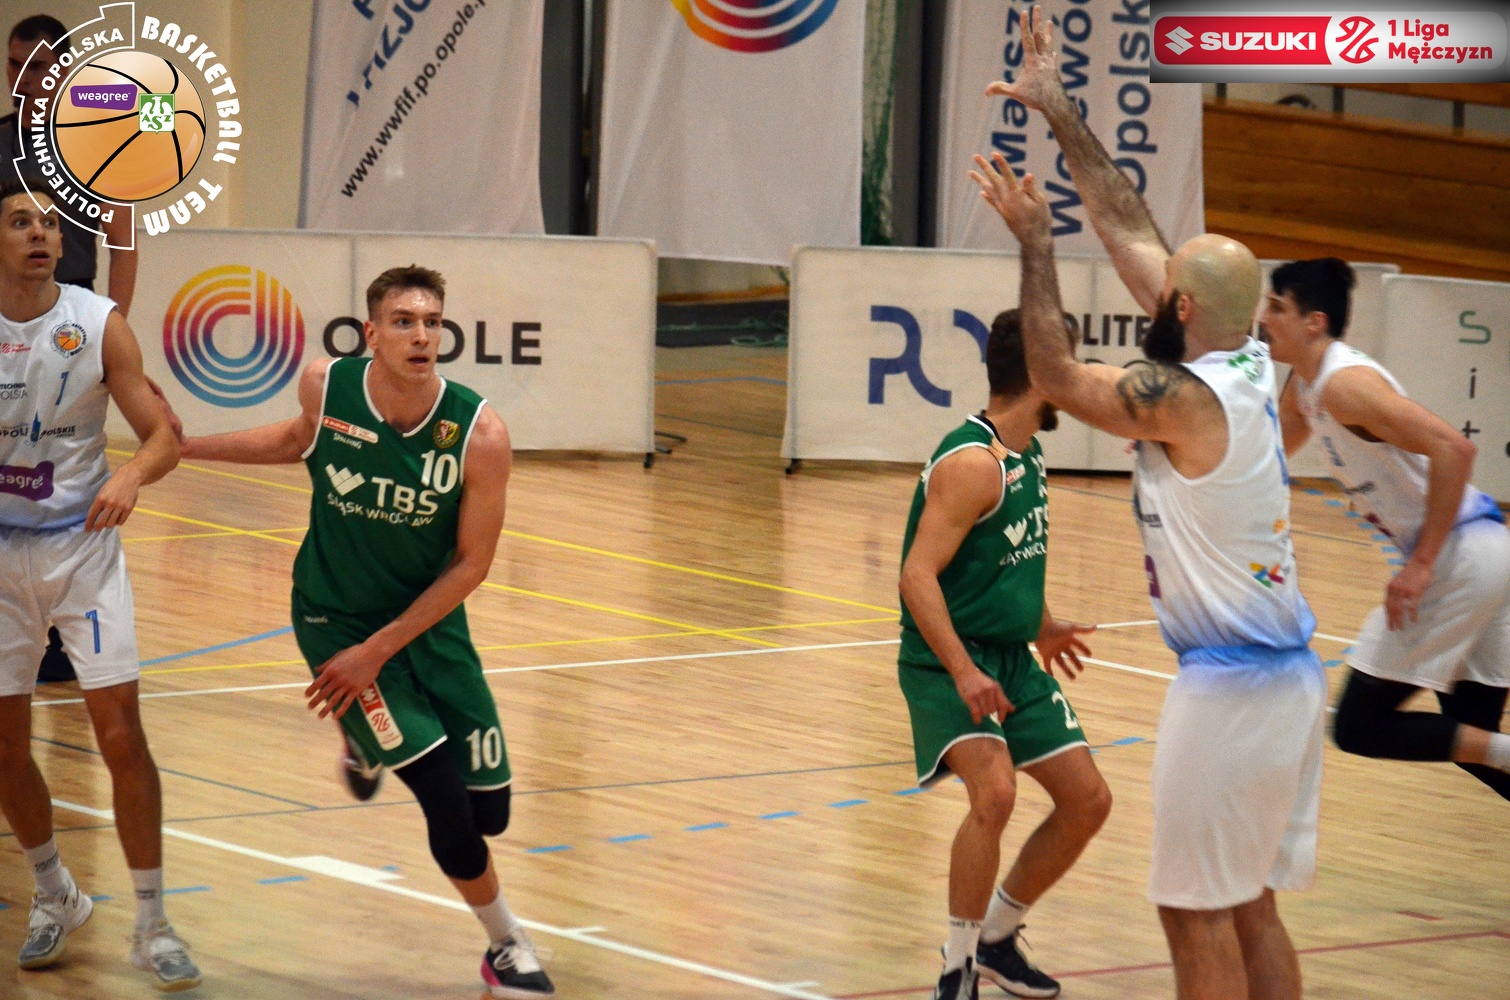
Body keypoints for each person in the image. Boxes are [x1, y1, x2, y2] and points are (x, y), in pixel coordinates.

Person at [970, 10, 1326, 999]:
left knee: (1193, 911)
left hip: (1231, 692)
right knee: (1251, 904)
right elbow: (1126, 221)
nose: (1150, 282)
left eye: (1163, 286)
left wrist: (1035, 243)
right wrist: (1059, 111)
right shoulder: (1241, 362)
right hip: (1287, 682)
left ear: (1181, 309)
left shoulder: (1183, 400)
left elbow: (1053, 373)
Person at [179, 265, 554, 998]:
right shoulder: (328, 386)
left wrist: (378, 652)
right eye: (405, 322)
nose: (421, 335)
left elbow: (474, 565)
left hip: (427, 628)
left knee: (490, 814)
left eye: (432, 322)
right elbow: (296, 440)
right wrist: (186, 447)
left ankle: (363, 739)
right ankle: (507, 946)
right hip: (334, 620)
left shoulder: (480, 433)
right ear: (371, 333)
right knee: (447, 807)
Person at [0, 178, 198, 989]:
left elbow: (163, 437)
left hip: (84, 552)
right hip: (2, 562)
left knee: (121, 737)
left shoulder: (97, 321)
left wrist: (132, 475)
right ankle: (55, 892)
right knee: (5, 748)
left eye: (50, 224)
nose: (40, 235)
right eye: (20, 222)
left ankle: (153, 923)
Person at [899, 309, 1112, 1000]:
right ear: (1045, 376)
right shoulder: (974, 464)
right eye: (1069, 366)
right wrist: (964, 672)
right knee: (995, 793)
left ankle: (996, 937)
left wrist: (1042, 625)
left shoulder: (1028, 452)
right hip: (946, 660)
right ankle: (957, 967)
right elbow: (916, 576)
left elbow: (1007, 558)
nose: (1078, 380)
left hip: (1010, 656)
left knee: (1088, 801)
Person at [1265, 258, 1510, 797]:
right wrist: (1171, 444)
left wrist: (1421, 564)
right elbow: (1265, 454)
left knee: (1359, 726)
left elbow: (1454, 448)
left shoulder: (1344, 384)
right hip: (1488, 552)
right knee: (1477, 742)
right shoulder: (1306, 385)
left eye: (1277, 308)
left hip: (1461, 554)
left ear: (1314, 322)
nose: (1263, 318)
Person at [7, 13, 144, 686]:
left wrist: (113, 324)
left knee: (68, 462)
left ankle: (71, 631)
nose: (23, 80)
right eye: (13, 67)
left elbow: (123, 237)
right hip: (9, 315)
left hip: (75, 316)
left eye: (36, 67)